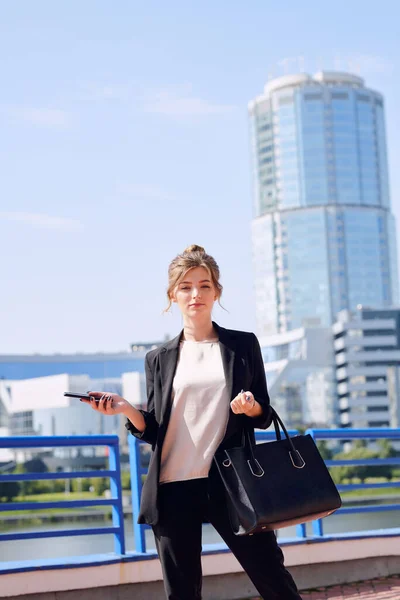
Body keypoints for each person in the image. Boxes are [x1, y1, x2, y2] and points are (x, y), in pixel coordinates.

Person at [82, 245, 302, 600]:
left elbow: (264, 415)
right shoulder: (158, 358)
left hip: (232, 482)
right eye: (185, 286)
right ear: (173, 295)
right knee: (182, 593)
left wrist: (250, 407)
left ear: (216, 292)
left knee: (273, 577)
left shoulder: (242, 346)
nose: (195, 294)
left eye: (204, 285)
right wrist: (126, 409)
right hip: (172, 486)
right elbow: (155, 430)